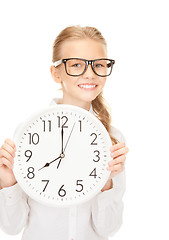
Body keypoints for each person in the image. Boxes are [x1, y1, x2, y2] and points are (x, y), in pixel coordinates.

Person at [0, 26, 129, 240]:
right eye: (77, 65)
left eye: (98, 65)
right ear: (56, 73)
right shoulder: (28, 132)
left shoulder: (112, 139)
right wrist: (8, 182)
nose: (90, 73)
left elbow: (108, 229)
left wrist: (107, 182)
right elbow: (12, 227)